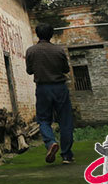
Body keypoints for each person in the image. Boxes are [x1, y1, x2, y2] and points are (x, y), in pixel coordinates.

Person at [25, 23, 74, 164]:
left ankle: (50, 142)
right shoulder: (59, 51)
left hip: (42, 88)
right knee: (65, 121)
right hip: (59, 87)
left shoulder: (31, 51)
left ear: (37, 34)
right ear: (51, 35)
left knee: (43, 120)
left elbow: (29, 71)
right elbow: (65, 69)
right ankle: (66, 155)